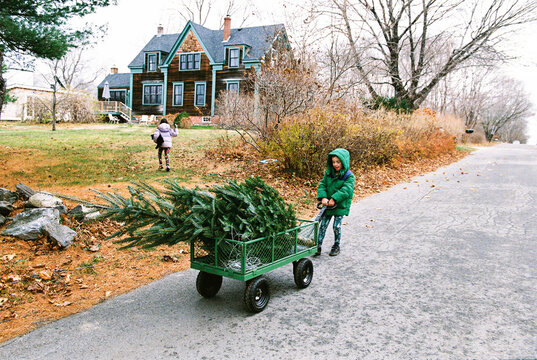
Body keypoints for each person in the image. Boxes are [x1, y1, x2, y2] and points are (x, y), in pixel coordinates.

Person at [315, 148, 355, 256]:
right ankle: (317, 245)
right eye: (333, 162)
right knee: (323, 225)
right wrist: (323, 197)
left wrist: (334, 198)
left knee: (336, 226)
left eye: (338, 162)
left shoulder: (349, 176)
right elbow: (322, 185)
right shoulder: (328, 173)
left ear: (344, 162)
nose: (335, 164)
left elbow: (346, 190)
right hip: (328, 205)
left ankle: (336, 245)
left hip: (339, 205)